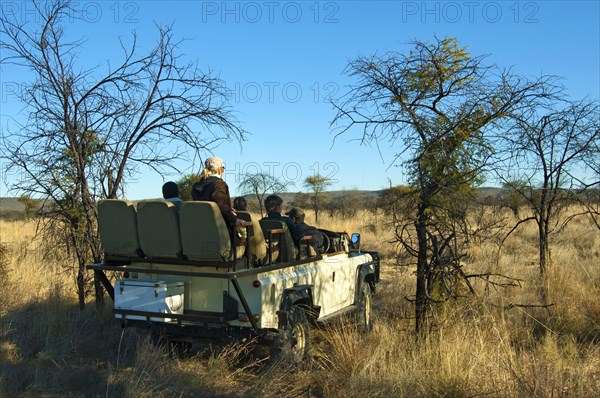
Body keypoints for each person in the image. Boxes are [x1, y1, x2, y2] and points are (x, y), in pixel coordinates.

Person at [191, 156, 245, 234]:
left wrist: (228, 209)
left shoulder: (195, 186)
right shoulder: (219, 184)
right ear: (220, 170)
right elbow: (221, 205)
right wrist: (234, 220)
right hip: (218, 231)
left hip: (199, 229)